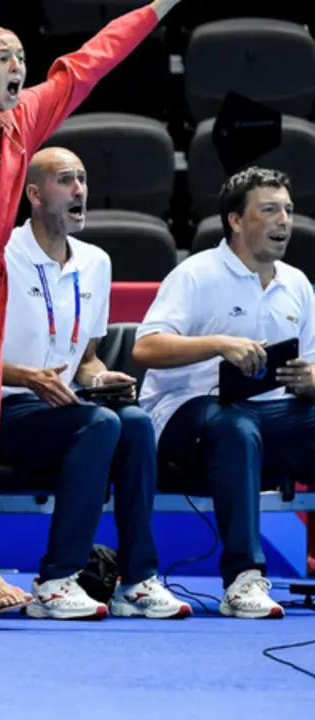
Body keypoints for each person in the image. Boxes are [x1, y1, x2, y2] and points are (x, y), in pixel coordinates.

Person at [0, 0, 180, 617]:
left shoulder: (24, 124)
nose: (19, 65)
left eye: (22, 56)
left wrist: (152, 10)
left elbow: (86, 65)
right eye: (4, 56)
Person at [0, 147, 190, 622]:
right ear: (34, 194)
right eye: (66, 180)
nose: (80, 190)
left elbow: (84, 359)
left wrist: (100, 376)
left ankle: (138, 579)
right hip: (2, 407)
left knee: (134, 423)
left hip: (67, 408)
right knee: (103, 424)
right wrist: (26, 377)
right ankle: (57, 580)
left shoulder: (97, 263)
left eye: (83, 179)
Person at [133, 166, 302, 619]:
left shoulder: (297, 285)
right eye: (269, 210)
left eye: (288, 209)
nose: (284, 220)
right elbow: (145, 347)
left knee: (257, 423)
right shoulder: (196, 274)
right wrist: (218, 345)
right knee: (237, 426)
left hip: (270, 415)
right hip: (184, 416)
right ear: (236, 221)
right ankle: (243, 580)